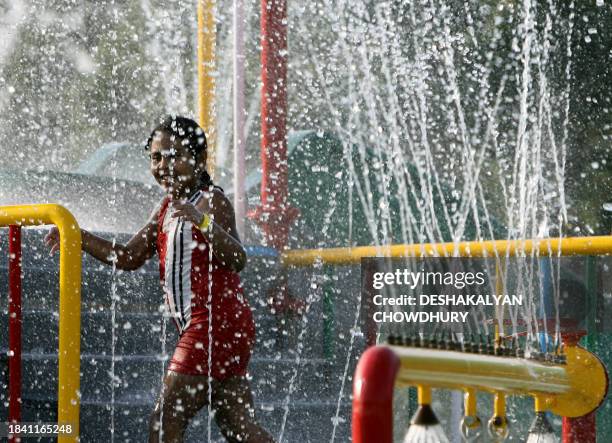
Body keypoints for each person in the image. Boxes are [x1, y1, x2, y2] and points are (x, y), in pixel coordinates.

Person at [45, 115, 274, 443]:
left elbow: (238, 259)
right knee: (238, 427)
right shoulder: (167, 207)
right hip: (220, 327)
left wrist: (202, 222)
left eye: (176, 156)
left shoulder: (210, 201)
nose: (164, 165)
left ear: (198, 160)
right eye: (156, 157)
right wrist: (78, 236)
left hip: (212, 324)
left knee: (164, 422)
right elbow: (129, 257)